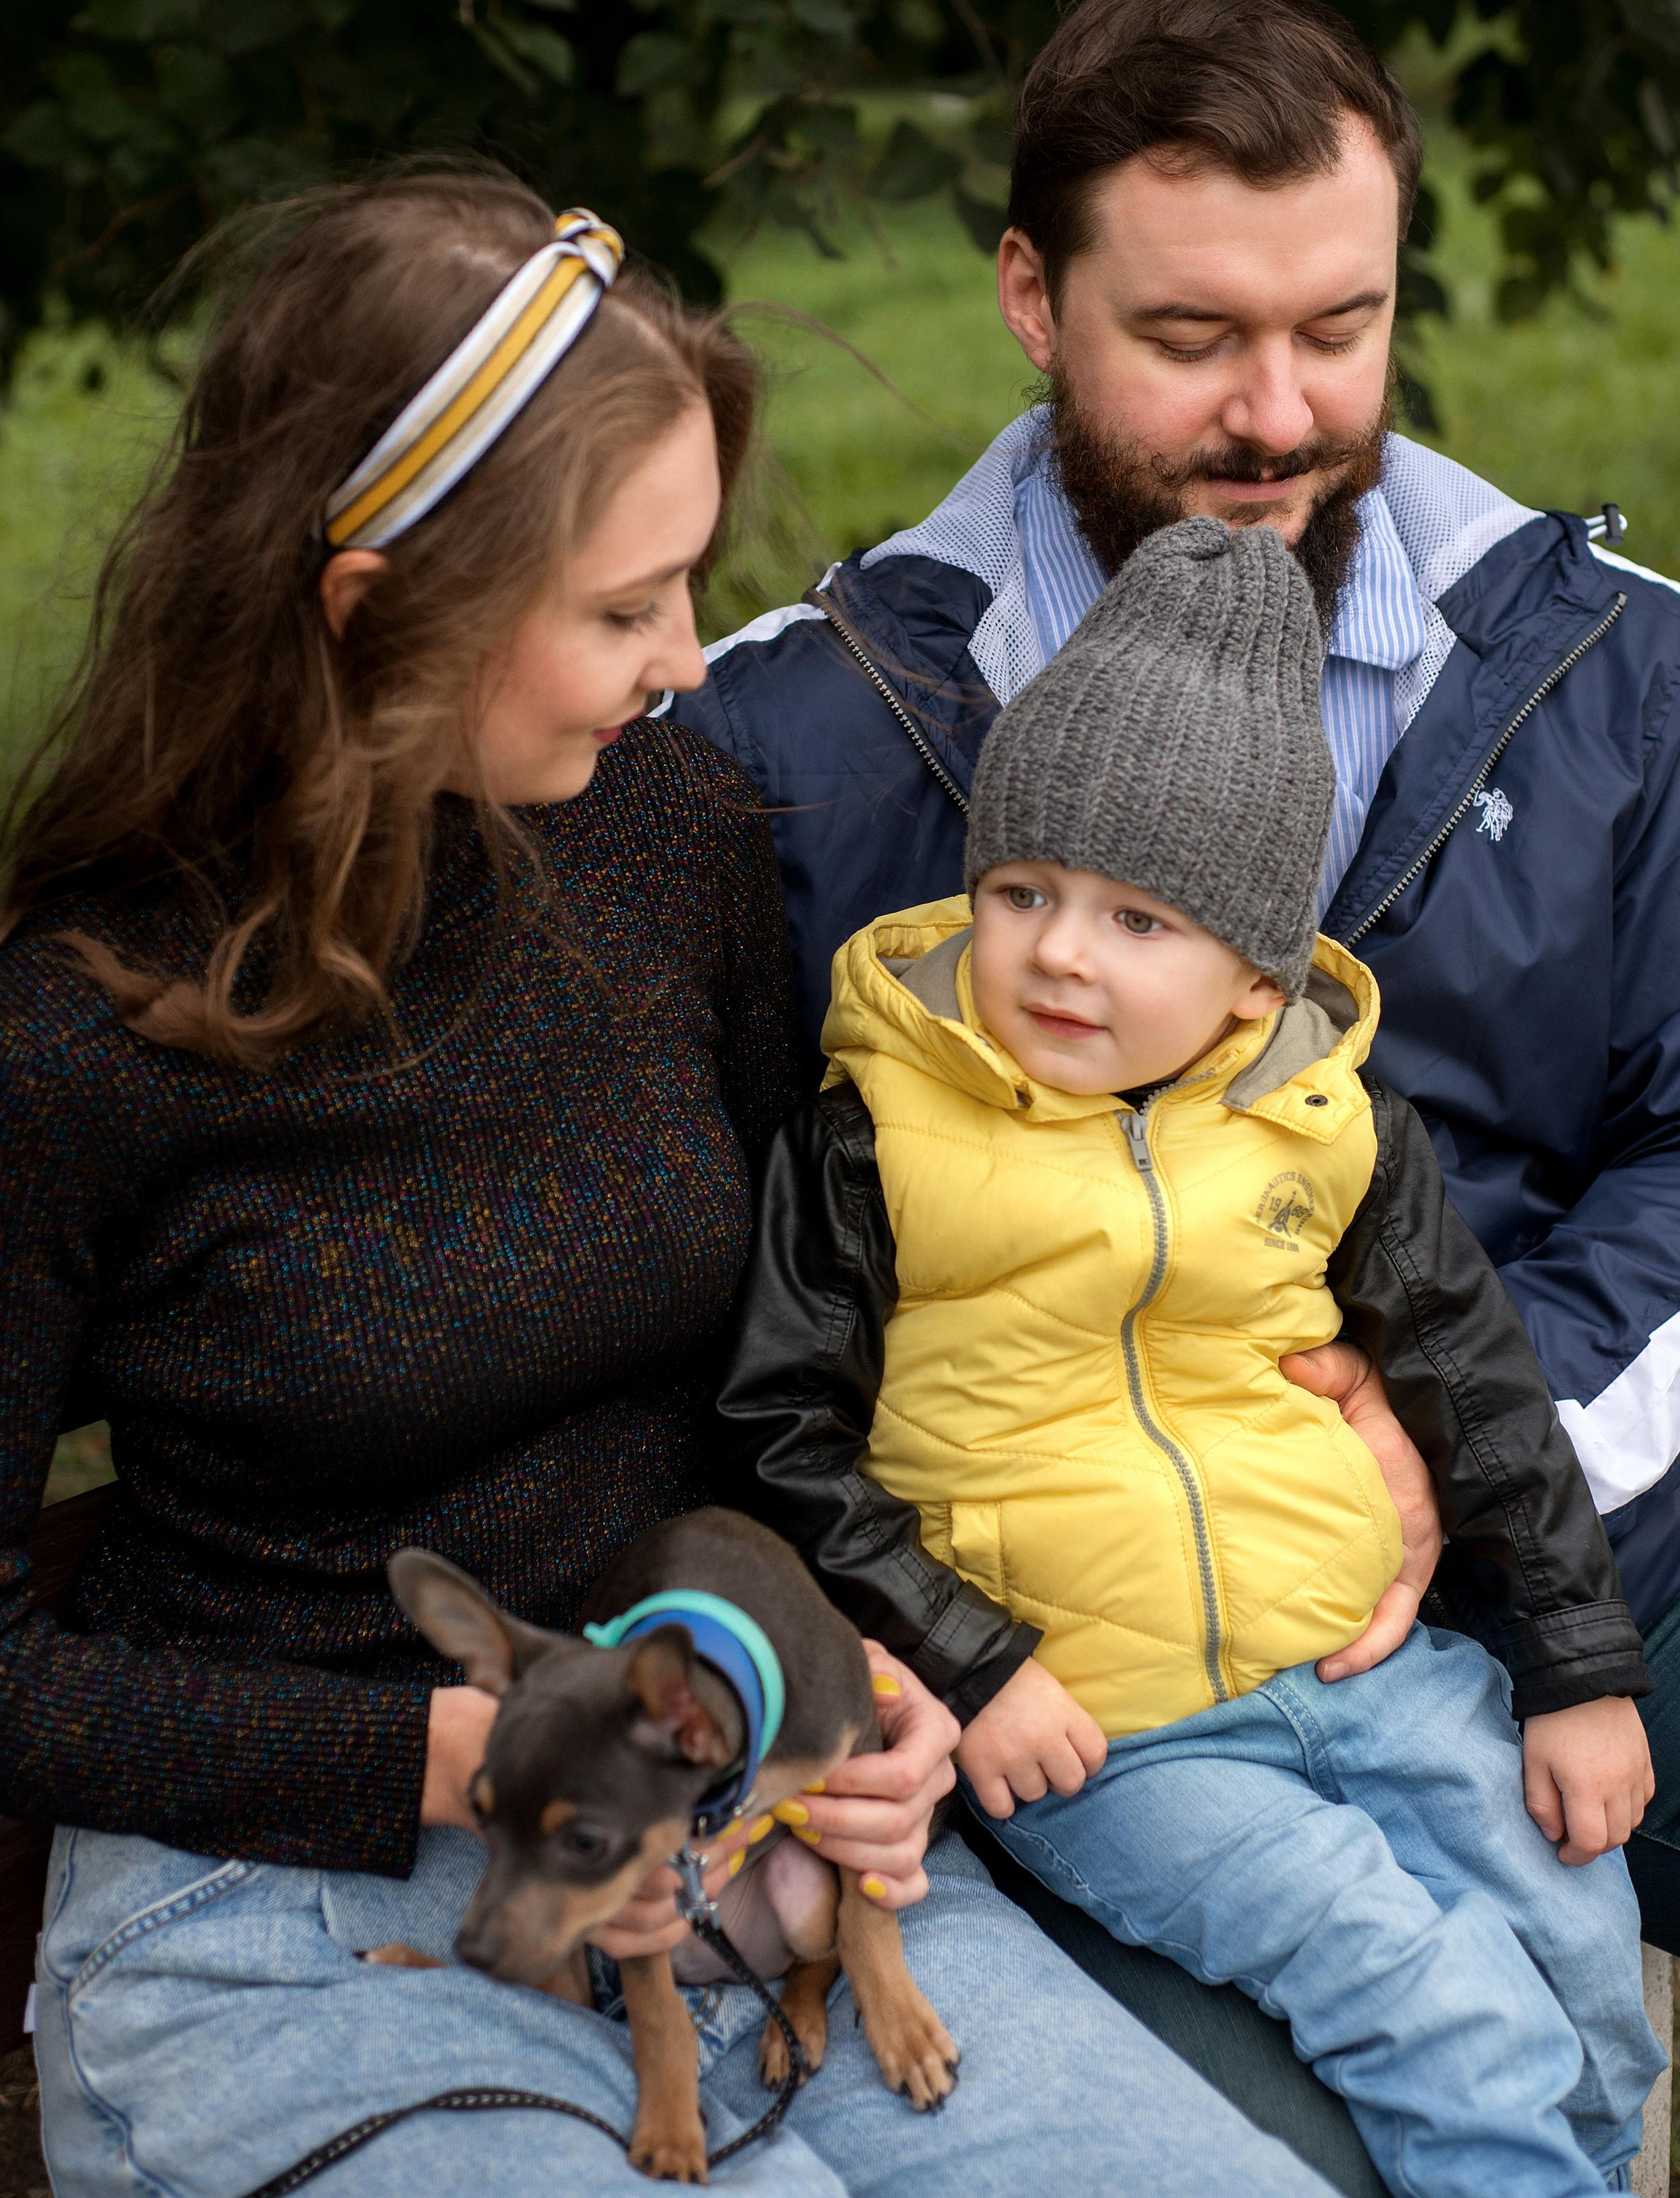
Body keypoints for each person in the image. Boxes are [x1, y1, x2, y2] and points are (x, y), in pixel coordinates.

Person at [0, 170, 1334, 2198]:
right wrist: (444, 1758)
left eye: (691, 584)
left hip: (753, 1830)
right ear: (376, 615)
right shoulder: (75, 1038)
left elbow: (765, 1378)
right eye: (626, 609)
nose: (695, 662)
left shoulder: (667, 827)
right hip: (298, 1914)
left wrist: (858, 1676)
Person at [672, 0, 1680, 2179]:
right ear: (1033, 299)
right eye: (1194, 338)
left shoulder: (1599, 657)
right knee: (1326, 2140)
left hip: (1589, 1542)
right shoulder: (802, 740)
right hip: (1098, 1689)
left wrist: (1465, 1442)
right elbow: (691, 1306)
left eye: (1343, 327)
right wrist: (882, 1647)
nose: (1282, 414)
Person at [721, 513, 1665, 2198]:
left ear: (1249, 978)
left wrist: (1575, 1662)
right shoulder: (875, 1134)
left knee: (1584, 1980)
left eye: (1137, 919)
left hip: (1362, 1671)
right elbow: (779, 1439)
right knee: (1418, 1998)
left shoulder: (1324, 1118)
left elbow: (1476, 1382)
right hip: (1112, 1732)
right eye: (1020, 891)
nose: (1060, 951)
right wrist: (974, 1662)